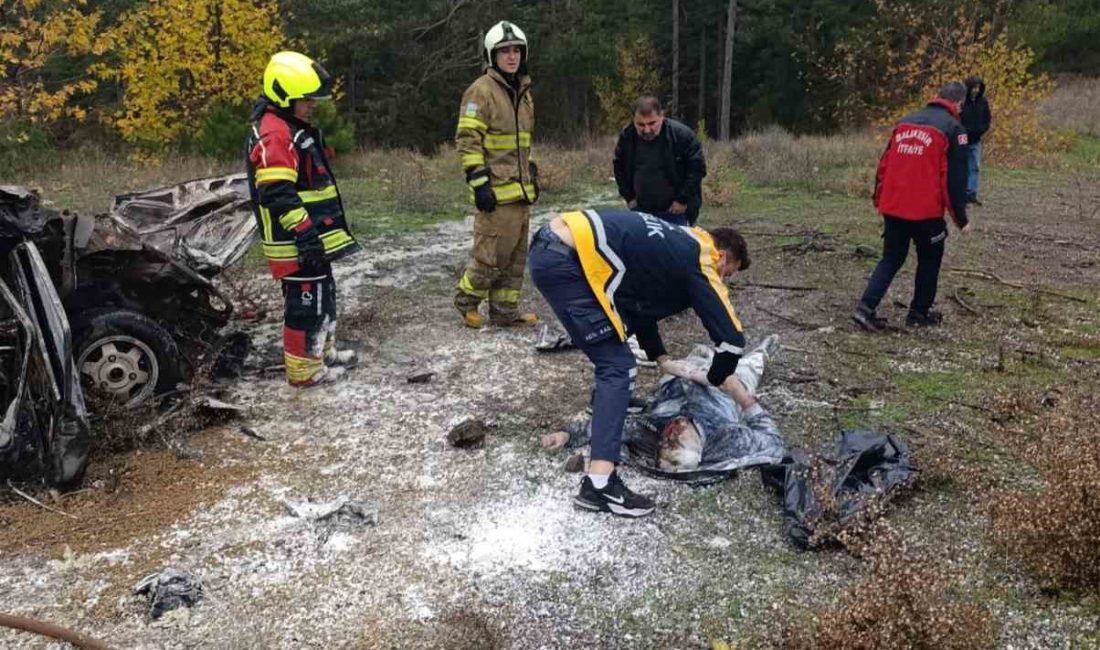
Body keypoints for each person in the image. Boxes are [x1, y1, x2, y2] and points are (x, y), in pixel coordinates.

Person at [528, 209, 750, 518]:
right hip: (564, 259)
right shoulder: (702, 258)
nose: (723, 280)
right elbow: (731, 340)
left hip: (557, 244)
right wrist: (718, 376)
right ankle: (600, 486)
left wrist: (660, 357)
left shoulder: (680, 240)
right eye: (728, 274)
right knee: (618, 367)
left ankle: (604, 404)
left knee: (616, 352)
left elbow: (636, 303)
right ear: (723, 257)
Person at [245, 51, 361, 386]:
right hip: (294, 242)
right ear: (285, 97)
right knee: (305, 302)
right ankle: (303, 371)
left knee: (324, 293)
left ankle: (321, 352)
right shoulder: (276, 133)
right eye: (306, 99)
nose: (313, 105)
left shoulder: (290, 126)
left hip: (310, 237)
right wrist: (305, 234)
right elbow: (276, 193)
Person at [541, 336, 784, 483]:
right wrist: (743, 398)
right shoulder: (726, 438)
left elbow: (608, 428)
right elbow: (774, 442)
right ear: (698, 449)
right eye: (678, 441)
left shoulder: (651, 430)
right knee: (749, 367)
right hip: (724, 392)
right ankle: (762, 353)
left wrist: (566, 434)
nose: (670, 434)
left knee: (700, 352)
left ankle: (705, 354)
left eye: (665, 443)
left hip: (681, 377)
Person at [852, 82, 972, 332]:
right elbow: (954, 180)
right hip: (925, 211)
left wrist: (879, 198)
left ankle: (865, 307)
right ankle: (919, 312)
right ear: (959, 104)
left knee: (891, 258)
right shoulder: (954, 130)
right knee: (930, 258)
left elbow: (883, 165)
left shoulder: (905, 121)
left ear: (937, 97)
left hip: (893, 206)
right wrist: (961, 218)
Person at [453, 20, 539, 329]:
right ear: (492, 56)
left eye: (516, 50)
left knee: (515, 258)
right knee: (491, 256)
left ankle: (504, 311)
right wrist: (479, 183)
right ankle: (466, 302)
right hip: (496, 190)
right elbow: (467, 139)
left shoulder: (523, 91)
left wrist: (532, 172)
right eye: (504, 52)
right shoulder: (481, 91)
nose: (512, 56)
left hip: (520, 190)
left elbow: (523, 142)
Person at [613, 96, 707, 227]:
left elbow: (697, 170)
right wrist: (629, 196)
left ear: (662, 116)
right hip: (641, 208)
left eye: (652, 123)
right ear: (633, 120)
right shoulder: (627, 137)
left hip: (676, 210)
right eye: (640, 125)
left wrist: (682, 199)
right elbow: (619, 167)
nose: (647, 130)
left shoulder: (682, 136)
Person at [961, 75, 992, 204]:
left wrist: (982, 130)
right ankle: (961, 192)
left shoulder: (983, 102)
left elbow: (987, 118)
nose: (976, 90)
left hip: (976, 139)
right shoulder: (962, 103)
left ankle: (971, 193)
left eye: (978, 88)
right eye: (974, 88)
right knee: (962, 166)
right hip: (962, 139)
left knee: (975, 166)